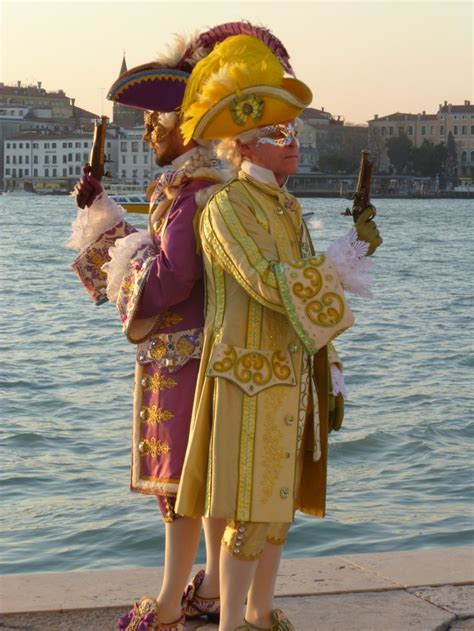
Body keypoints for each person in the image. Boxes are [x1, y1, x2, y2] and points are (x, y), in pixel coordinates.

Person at [68, 24, 301, 631]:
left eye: (158, 120)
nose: (147, 131)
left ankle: (171, 602)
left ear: (189, 121)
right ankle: (217, 592)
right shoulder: (212, 186)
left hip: (185, 357)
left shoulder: (192, 187)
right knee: (213, 482)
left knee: (181, 483)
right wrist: (106, 219)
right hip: (218, 351)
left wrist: (123, 260)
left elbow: (173, 277)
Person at [174, 34, 382, 631]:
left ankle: (261, 615)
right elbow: (268, 282)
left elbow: (303, 290)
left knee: (277, 511)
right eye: (280, 136)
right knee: (248, 510)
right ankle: (231, 623)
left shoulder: (288, 209)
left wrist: (331, 358)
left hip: (291, 375)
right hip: (245, 378)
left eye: (292, 135)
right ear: (245, 147)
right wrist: (339, 262)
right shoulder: (226, 208)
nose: (292, 145)